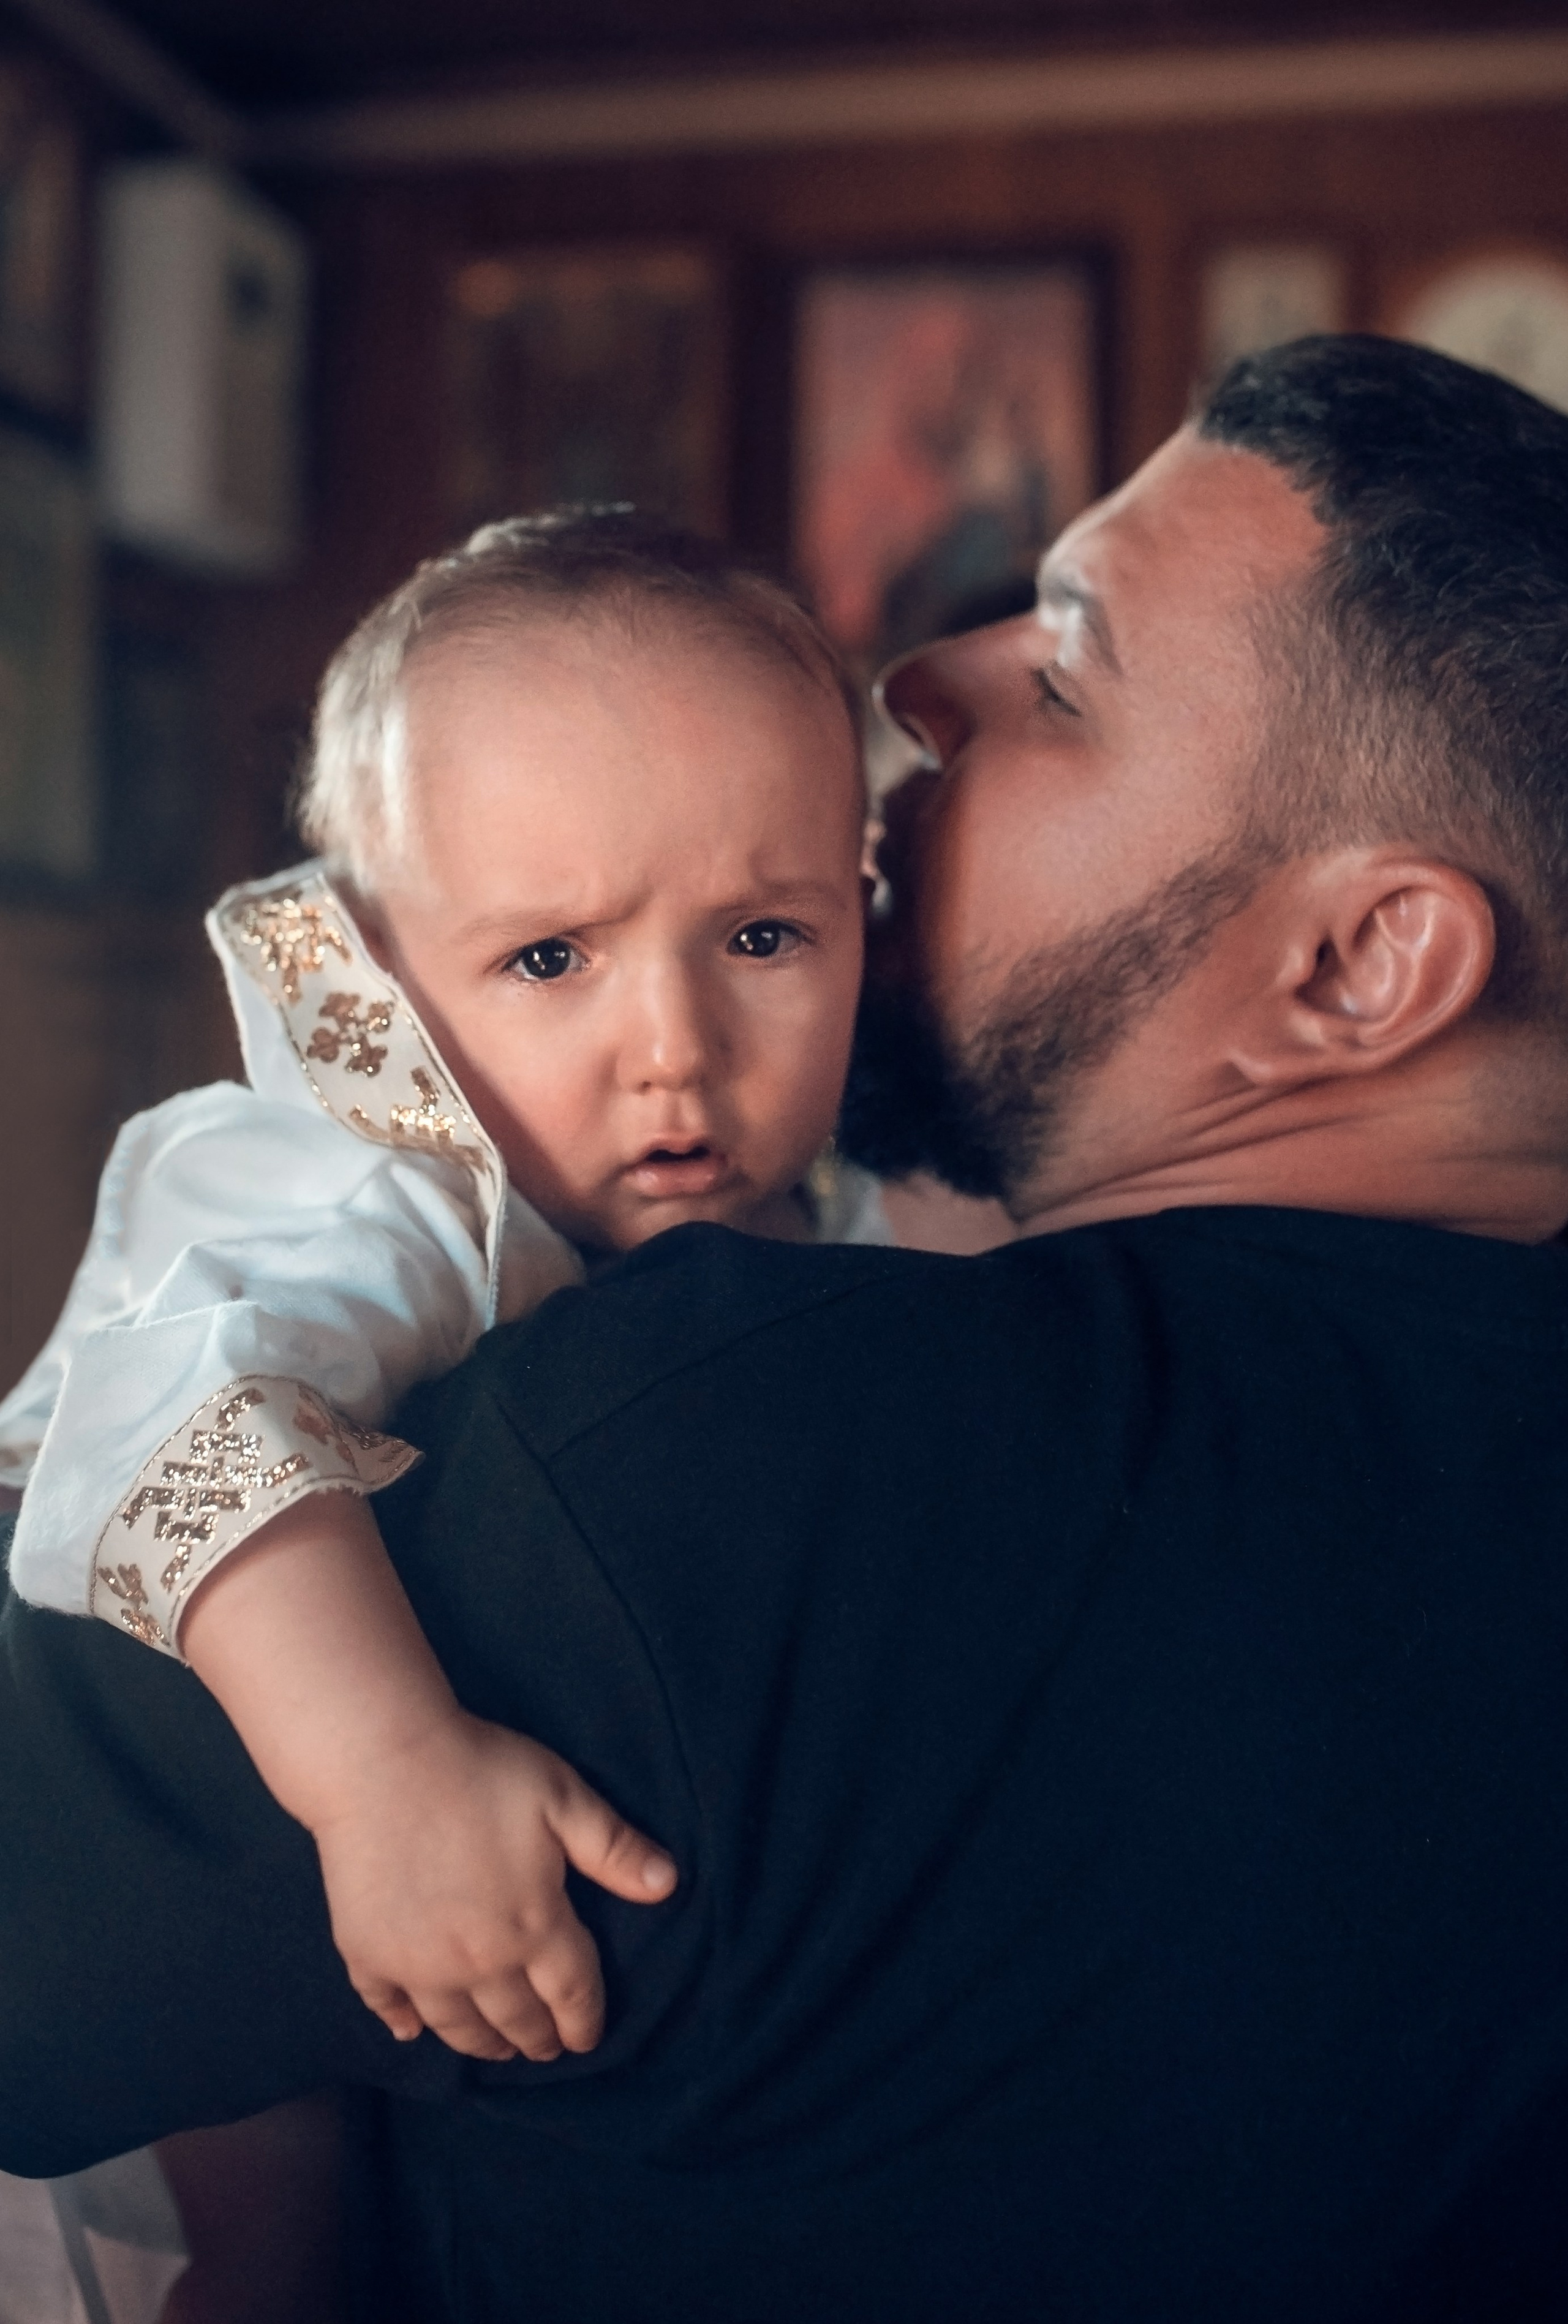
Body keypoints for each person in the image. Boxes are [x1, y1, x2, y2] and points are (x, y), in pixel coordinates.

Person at [7, 333, 1568, 2320]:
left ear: (1357, 963)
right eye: (552, 953)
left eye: (1065, 675)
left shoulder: (732, 1447)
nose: (920, 685)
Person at [0, 508, 887, 2064]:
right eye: (552, 959)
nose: (676, 1045)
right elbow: (175, 1432)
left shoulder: (827, 1198)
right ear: (380, 986)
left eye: (763, 934)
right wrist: (384, 1772)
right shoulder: (370, 1192)